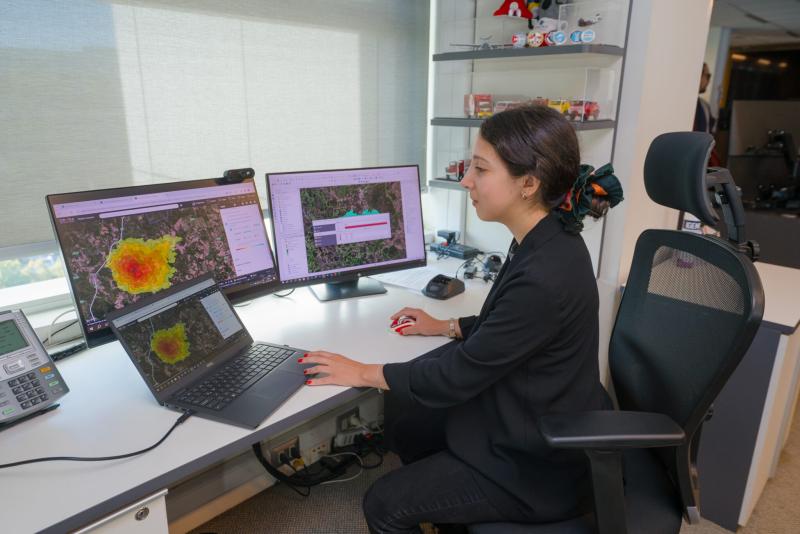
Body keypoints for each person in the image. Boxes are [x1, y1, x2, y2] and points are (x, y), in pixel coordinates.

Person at [300, 105, 621, 533]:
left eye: (480, 169)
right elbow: (508, 327)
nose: (466, 180)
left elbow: (460, 374)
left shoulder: (544, 274)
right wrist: (445, 326)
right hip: (528, 414)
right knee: (408, 426)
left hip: (536, 466)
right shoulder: (546, 239)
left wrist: (363, 371)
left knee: (384, 503)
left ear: (528, 183)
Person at [694, 62, 715, 134]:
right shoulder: (687, 104)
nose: (709, 81)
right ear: (699, 76)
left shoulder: (705, 106)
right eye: (708, 76)